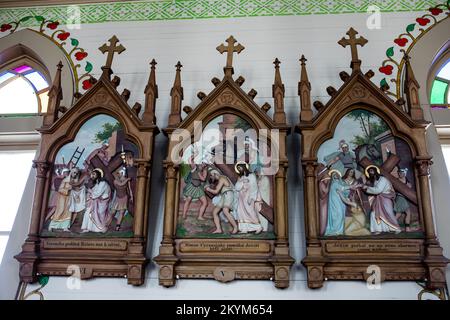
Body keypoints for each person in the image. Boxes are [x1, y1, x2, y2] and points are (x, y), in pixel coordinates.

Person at [362, 165, 401, 234]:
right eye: (369, 172)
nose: (370, 173)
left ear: (375, 171)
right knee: (374, 213)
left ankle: (396, 228)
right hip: (378, 199)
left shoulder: (382, 179)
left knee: (388, 213)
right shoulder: (375, 181)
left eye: (371, 171)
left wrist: (366, 188)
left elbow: (378, 190)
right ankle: (378, 229)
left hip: (385, 198)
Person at [233, 162, 264, 234]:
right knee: (241, 213)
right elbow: (237, 187)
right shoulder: (240, 177)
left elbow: (254, 187)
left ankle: (258, 227)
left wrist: (251, 197)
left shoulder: (251, 175)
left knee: (250, 212)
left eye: (240, 168)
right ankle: (244, 228)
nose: (239, 170)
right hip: (241, 198)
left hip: (249, 197)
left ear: (244, 167)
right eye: (238, 169)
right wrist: (242, 182)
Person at [204, 169, 238, 234]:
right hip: (224, 196)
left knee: (225, 211)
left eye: (211, 175)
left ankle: (235, 227)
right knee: (215, 212)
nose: (211, 177)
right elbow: (217, 191)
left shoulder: (222, 178)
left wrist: (208, 189)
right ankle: (219, 229)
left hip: (228, 195)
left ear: (214, 174)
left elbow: (216, 191)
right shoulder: (220, 179)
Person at [81, 168, 112, 233]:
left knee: (98, 215)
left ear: (98, 175)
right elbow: (94, 192)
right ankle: (87, 228)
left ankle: (99, 229)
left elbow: (97, 194)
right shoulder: (97, 183)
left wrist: (89, 191)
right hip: (96, 201)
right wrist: (89, 191)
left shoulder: (103, 183)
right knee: (88, 211)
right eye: (92, 174)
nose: (92, 176)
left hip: (102, 202)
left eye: (94, 174)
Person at [182, 152, 208, 220]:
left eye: (205, 164)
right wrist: (196, 154)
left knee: (205, 202)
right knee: (188, 200)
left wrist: (199, 173)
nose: (204, 164)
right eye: (203, 162)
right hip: (192, 186)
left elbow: (203, 179)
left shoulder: (204, 170)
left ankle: (200, 216)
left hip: (199, 188)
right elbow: (189, 159)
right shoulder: (194, 167)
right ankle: (184, 214)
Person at [324, 170, 347, 236]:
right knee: (338, 214)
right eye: (334, 175)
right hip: (334, 201)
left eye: (336, 174)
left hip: (340, 201)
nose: (336, 175)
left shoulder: (340, 183)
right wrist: (352, 186)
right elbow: (343, 188)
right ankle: (335, 230)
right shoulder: (334, 184)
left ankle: (339, 231)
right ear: (332, 177)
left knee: (340, 214)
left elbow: (345, 191)